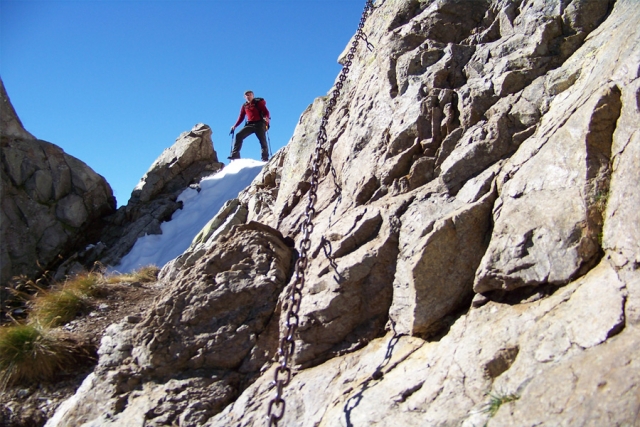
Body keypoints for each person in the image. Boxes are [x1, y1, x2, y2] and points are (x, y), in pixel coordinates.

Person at [229, 90, 271, 161]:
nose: (249, 96)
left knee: (262, 140)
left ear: (253, 96)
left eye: (250, 94)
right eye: (247, 95)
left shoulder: (258, 103)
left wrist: (266, 120)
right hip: (250, 124)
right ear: (244, 97)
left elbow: (266, 112)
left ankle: (265, 158)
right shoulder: (244, 106)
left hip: (260, 123)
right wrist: (235, 126)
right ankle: (235, 155)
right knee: (239, 135)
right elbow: (241, 117)